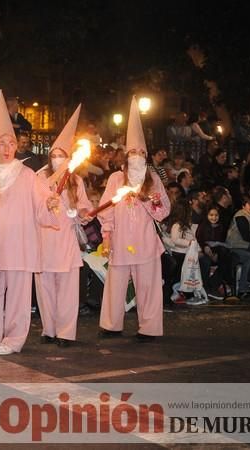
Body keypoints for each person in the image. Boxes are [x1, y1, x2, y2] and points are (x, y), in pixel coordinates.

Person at [0, 93, 59, 355]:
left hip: (19, 245)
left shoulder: (29, 175)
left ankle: (13, 339)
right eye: (2, 143)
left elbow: (43, 205)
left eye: (11, 143)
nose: (7, 147)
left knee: (19, 296)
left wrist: (50, 205)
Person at [98, 98, 170, 342]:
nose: (136, 156)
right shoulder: (116, 180)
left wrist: (150, 200)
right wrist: (107, 236)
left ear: (146, 155)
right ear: (126, 156)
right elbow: (105, 210)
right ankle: (111, 325)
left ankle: (149, 328)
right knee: (115, 284)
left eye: (140, 152)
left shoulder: (153, 180)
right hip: (120, 241)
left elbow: (163, 210)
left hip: (145, 241)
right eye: (132, 152)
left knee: (148, 286)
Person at [33, 105, 90, 347]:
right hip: (44, 239)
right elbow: (31, 208)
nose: (57, 159)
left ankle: (66, 332)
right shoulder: (39, 178)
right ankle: (49, 328)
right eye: (53, 155)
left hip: (65, 239)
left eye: (61, 155)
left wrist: (78, 212)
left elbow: (85, 210)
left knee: (67, 287)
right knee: (44, 287)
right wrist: (46, 203)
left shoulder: (75, 180)